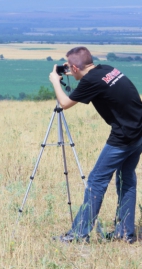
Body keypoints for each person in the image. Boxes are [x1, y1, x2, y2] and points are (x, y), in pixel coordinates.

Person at [49, 46, 142, 243]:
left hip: (123, 137)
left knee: (95, 182)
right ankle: (125, 233)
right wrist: (74, 67)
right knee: (126, 179)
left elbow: (65, 103)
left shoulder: (90, 80)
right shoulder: (106, 69)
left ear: (74, 68)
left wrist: (55, 81)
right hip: (138, 131)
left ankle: (78, 235)